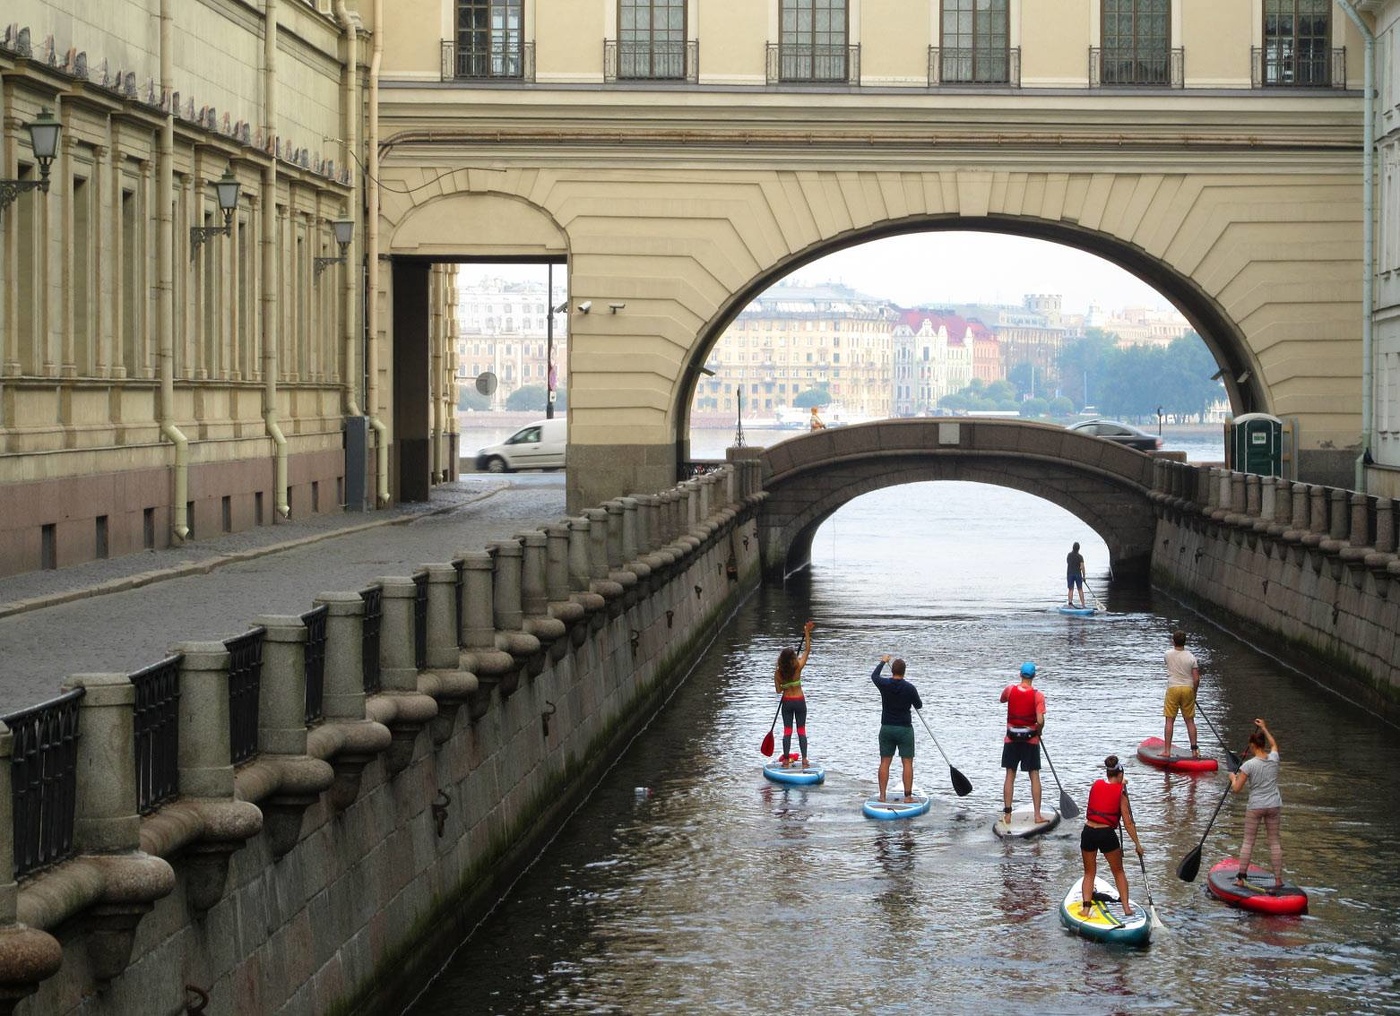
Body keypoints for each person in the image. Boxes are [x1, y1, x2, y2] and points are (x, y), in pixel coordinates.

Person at [1079, 755, 1144, 918]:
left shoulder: (1096, 784)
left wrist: (1120, 785)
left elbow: (1106, 790)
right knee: (1118, 872)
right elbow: (1128, 823)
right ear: (1120, 774)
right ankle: (1127, 908)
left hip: (1088, 831)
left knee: (1089, 872)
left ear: (1108, 773)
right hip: (1106, 833)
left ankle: (1086, 909)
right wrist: (1138, 844)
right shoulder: (1121, 793)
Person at [1230, 719, 1285, 887]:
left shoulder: (1248, 765)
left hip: (1256, 806)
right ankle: (1278, 879)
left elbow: (1237, 789)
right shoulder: (1274, 758)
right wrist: (1264, 728)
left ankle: (1240, 878)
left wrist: (1233, 777)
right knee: (1274, 842)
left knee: (1248, 841)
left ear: (1253, 746)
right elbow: (1274, 744)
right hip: (1274, 804)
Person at [871, 654, 922, 802]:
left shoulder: (884, 684)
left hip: (887, 728)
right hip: (905, 729)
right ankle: (908, 797)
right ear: (904, 672)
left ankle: (882, 796)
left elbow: (874, 676)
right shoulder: (910, 688)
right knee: (907, 762)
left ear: (892, 671)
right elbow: (919, 705)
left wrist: (882, 661)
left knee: (885, 762)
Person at [1001, 661, 1047, 823]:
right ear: (1034, 676)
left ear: (1020, 674)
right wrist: (1039, 730)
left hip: (1011, 739)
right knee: (1034, 775)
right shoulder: (1038, 696)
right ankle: (1037, 815)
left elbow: (1002, 699)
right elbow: (1040, 719)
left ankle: (1007, 814)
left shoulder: (1010, 690)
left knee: (1010, 774)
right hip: (1030, 741)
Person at [773, 620, 816, 767]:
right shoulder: (798, 667)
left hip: (787, 702)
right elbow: (807, 651)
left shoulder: (778, 673)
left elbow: (779, 691)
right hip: (799, 701)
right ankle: (804, 759)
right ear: (792, 659)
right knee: (801, 729)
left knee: (787, 730)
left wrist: (785, 685)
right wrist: (807, 633)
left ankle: (785, 760)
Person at [1162, 629, 1202, 759]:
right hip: (1187, 689)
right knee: (1190, 721)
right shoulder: (1191, 657)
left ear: (1173, 641)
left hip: (1173, 688)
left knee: (1169, 720)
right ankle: (1194, 751)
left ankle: (1167, 751)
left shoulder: (1167, 654)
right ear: (1185, 642)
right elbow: (1196, 678)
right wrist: (1194, 693)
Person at [1066, 542, 1086, 608]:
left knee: (1070, 589)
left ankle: (1070, 604)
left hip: (1070, 574)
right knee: (1080, 589)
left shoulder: (1069, 555)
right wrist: (1084, 576)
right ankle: (1083, 605)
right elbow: (1082, 567)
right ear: (1078, 549)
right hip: (1078, 574)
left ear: (1073, 547)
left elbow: (1068, 562)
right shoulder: (1080, 557)